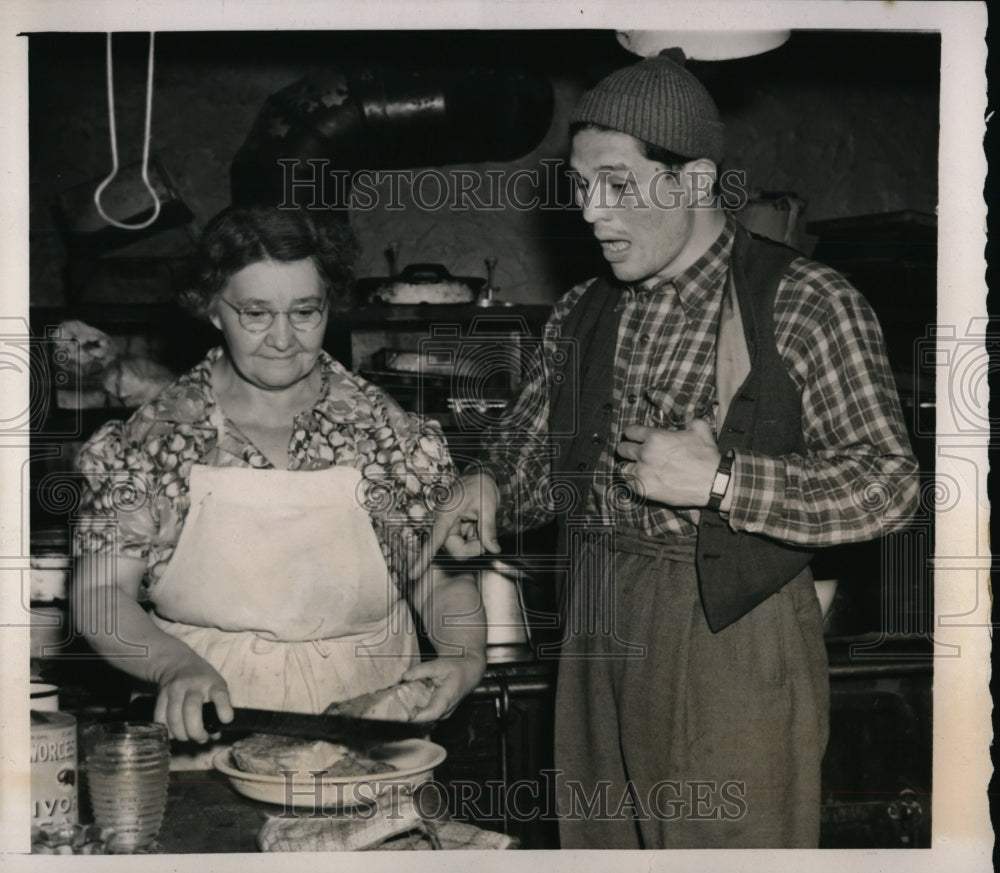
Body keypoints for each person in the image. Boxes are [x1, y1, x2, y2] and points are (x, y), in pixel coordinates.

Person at [433, 51, 920, 848]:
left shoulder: (806, 301)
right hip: (595, 625)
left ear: (694, 181)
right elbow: (531, 460)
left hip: (730, 631)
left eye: (617, 184)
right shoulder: (581, 310)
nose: (591, 212)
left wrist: (723, 480)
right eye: (580, 186)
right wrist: (487, 482)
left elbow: (890, 487)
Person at [74, 204, 486, 750]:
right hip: (210, 724)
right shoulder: (156, 436)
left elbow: (440, 578)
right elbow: (101, 592)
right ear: (212, 308)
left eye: (305, 312)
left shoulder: (385, 429)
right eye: (256, 313)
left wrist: (464, 656)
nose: (283, 338)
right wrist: (172, 665)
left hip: (372, 724)